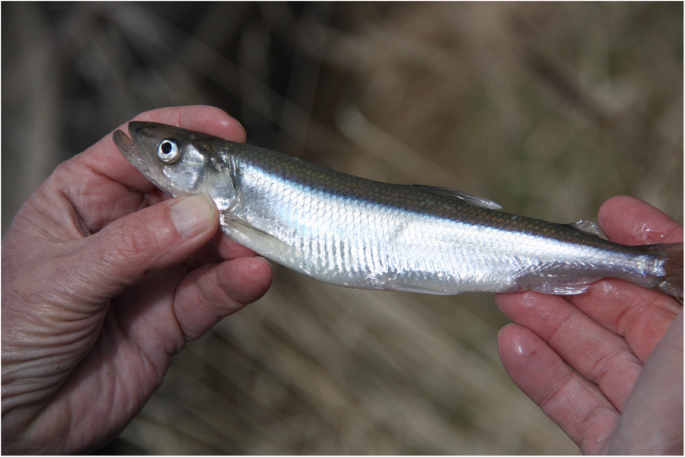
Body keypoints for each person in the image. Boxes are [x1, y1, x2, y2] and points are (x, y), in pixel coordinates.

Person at [1, 106, 681, 454]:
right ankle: (646, 267)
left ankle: (649, 266)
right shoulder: (235, 204)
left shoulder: (239, 198)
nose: (154, 155)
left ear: (216, 173)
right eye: (166, 153)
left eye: (171, 152)